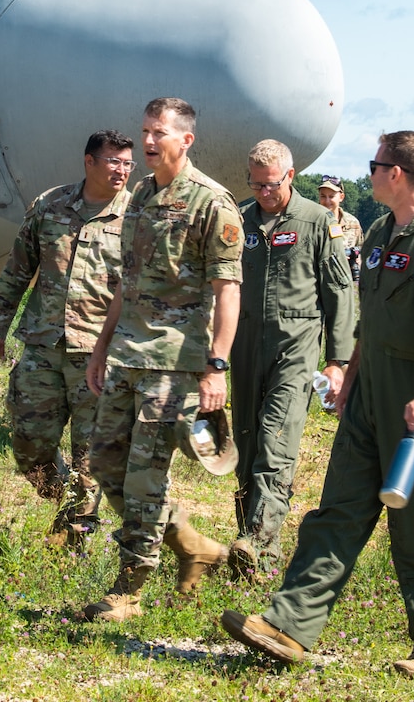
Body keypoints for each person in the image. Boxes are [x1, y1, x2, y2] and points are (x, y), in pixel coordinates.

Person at [221, 131, 414, 678]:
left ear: (399, 173)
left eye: (376, 163)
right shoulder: (383, 230)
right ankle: (289, 626)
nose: (369, 172)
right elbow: (370, 318)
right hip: (369, 391)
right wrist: (349, 375)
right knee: (338, 509)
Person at [81, 98, 244, 622]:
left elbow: (228, 292)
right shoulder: (139, 197)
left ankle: (130, 585)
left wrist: (216, 366)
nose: (149, 142)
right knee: (105, 462)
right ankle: (191, 544)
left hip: (174, 366)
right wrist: (102, 348)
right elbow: (127, 285)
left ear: (186, 140)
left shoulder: (212, 204)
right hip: (127, 354)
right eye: (146, 131)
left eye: (160, 133)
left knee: (146, 475)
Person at [0, 130, 135, 551]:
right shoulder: (50, 206)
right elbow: (17, 269)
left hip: (99, 356)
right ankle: (65, 507)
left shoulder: (137, 216)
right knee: (28, 446)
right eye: (113, 162)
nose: (122, 170)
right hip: (43, 347)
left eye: (128, 163)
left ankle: (75, 540)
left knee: (91, 456)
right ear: (89, 161)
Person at [228, 140, 356, 577]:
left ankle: (257, 538)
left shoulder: (317, 221)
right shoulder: (240, 219)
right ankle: (255, 559)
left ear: (291, 175)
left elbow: (340, 291)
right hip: (244, 347)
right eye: (256, 183)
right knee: (245, 443)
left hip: (294, 349)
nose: (264, 192)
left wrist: (338, 360)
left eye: (272, 183)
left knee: (274, 439)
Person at [316, 176, 364, 281]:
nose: (327, 201)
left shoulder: (353, 223)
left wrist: (358, 260)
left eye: (331, 196)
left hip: (347, 280)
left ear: (341, 197)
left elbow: (361, 249)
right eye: (323, 196)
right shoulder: (312, 222)